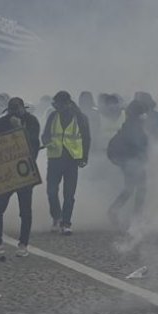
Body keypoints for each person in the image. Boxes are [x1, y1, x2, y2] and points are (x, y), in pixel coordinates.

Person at [0, 97, 41, 256]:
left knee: (25, 211)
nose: (14, 114)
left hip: (24, 172)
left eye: (17, 110)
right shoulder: (3, 121)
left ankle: (23, 245)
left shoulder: (32, 121)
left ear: (23, 108)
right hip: (6, 173)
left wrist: (19, 129)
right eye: (12, 111)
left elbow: (33, 142)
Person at [41, 91, 91, 235]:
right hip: (55, 159)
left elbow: (86, 138)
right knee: (51, 192)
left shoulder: (80, 118)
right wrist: (47, 143)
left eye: (59, 104)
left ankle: (66, 223)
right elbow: (45, 135)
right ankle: (57, 217)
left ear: (67, 104)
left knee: (69, 194)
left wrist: (84, 157)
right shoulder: (52, 116)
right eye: (56, 104)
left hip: (72, 160)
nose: (57, 107)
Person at [106, 100, 150, 228]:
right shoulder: (135, 125)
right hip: (133, 161)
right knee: (139, 189)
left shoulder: (131, 124)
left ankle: (116, 211)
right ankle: (136, 217)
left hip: (130, 161)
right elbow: (138, 144)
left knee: (131, 188)